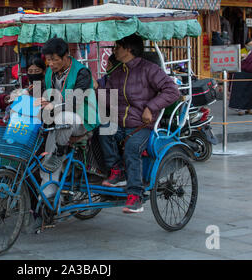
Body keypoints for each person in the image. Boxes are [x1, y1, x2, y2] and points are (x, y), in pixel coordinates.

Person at [98, 34, 180, 214]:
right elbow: (106, 99)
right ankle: (116, 171)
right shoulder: (117, 72)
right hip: (119, 123)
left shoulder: (150, 69)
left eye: (117, 46)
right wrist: (95, 89)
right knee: (103, 130)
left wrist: (151, 107)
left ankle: (135, 196)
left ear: (129, 49)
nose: (114, 50)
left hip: (141, 125)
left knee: (132, 148)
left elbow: (172, 92)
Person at [34, 37, 99, 199]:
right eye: (48, 60)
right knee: (47, 154)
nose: (50, 64)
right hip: (58, 120)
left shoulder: (82, 72)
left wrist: (53, 106)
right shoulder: (49, 72)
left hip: (82, 119)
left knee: (63, 120)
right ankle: (48, 196)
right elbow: (43, 92)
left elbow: (75, 101)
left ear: (66, 57)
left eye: (54, 60)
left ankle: (59, 153)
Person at [229, 38, 252, 115]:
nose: (250, 46)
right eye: (249, 45)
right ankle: (240, 109)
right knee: (240, 92)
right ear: (246, 45)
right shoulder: (241, 50)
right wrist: (241, 57)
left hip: (250, 74)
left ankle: (249, 108)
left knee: (249, 93)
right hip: (241, 73)